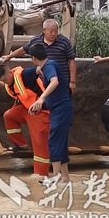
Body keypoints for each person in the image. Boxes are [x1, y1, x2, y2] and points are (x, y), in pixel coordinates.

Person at [0, 63, 50, 178]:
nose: (6, 82)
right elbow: (1, 83)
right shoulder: (9, 81)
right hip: (28, 109)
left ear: (10, 72)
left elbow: (39, 70)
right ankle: (21, 145)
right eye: (4, 81)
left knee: (39, 143)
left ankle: (41, 174)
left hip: (41, 111)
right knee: (9, 115)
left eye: (6, 79)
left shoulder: (25, 74)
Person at [28, 43, 73, 183]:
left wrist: (41, 99)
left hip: (61, 109)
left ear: (33, 58)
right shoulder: (49, 65)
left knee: (53, 141)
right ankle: (64, 177)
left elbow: (55, 82)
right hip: (60, 109)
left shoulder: (48, 66)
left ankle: (55, 175)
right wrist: (41, 106)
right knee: (61, 142)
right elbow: (55, 93)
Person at [2, 18, 77, 93]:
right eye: (51, 31)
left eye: (56, 31)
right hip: (43, 83)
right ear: (44, 31)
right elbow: (23, 50)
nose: (54, 34)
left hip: (62, 82)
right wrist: (9, 56)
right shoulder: (36, 41)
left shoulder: (64, 42)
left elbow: (71, 60)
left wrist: (72, 81)